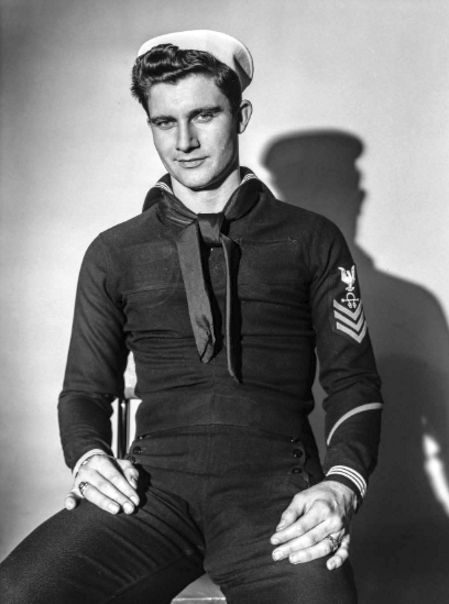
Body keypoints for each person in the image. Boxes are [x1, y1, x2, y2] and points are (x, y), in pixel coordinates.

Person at [0, 30, 383, 603]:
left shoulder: (312, 239)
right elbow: (83, 390)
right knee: (19, 591)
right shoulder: (114, 251)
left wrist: (340, 485)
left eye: (204, 115)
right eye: (163, 122)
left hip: (276, 497)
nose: (184, 141)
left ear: (241, 114)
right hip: (152, 493)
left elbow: (354, 383)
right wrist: (89, 456)